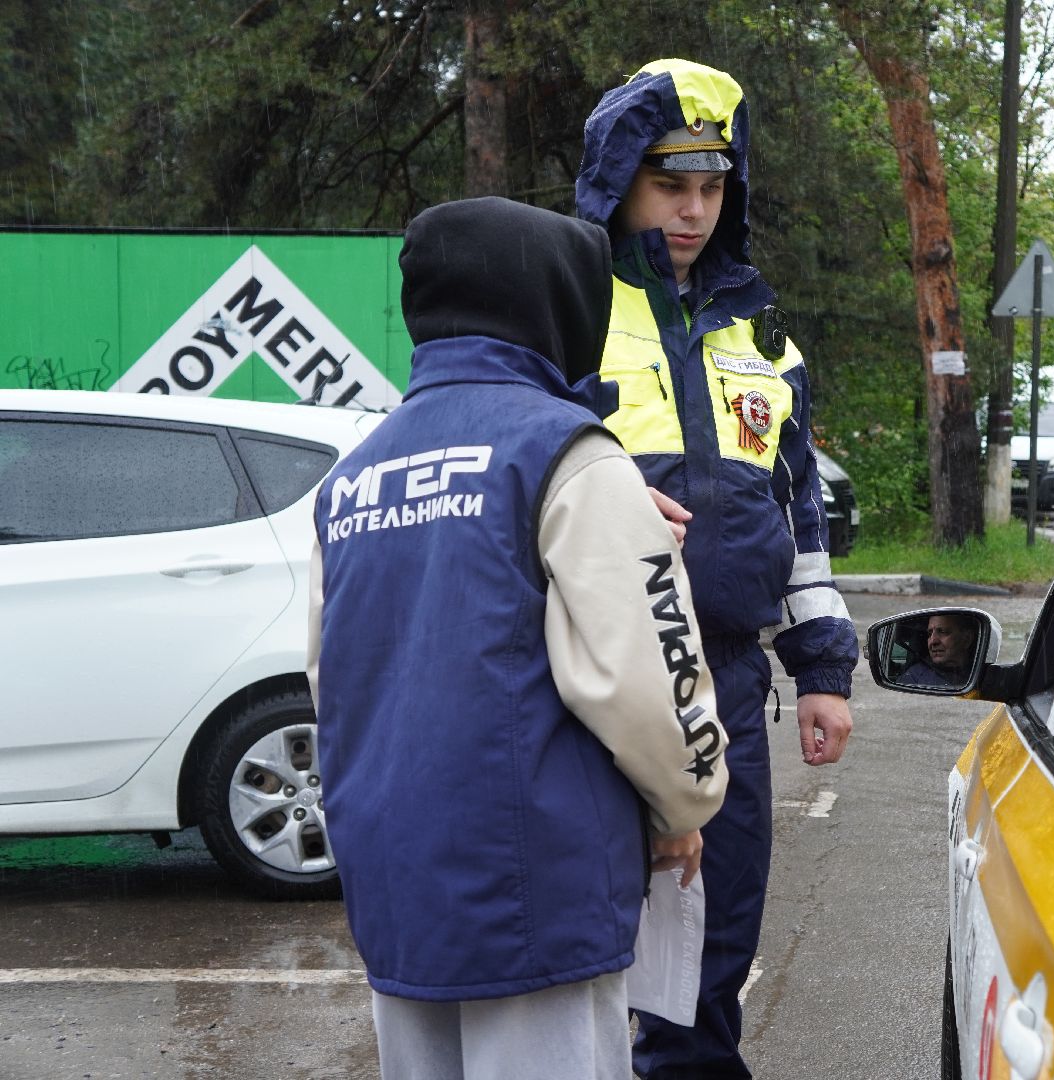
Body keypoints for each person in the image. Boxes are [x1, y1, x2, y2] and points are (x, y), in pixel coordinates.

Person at [307, 196, 729, 1080]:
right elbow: (648, 677)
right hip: (537, 883)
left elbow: (329, 678)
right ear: (555, 304)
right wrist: (685, 806)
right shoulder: (569, 453)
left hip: (397, 882)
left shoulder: (354, 476)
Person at [576, 59, 858, 1079]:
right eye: (667, 183)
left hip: (730, 683)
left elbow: (799, 509)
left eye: (712, 186)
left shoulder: (760, 330)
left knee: (707, 963)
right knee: (589, 966)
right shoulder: (565, 302)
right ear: (618, 180)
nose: (692, 211)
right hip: (594, 685)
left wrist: (821, 667)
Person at [901, 613, 979, 688]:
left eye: (942, 631)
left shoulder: (981, 673)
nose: (933, 641)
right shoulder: (914, 677)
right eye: (929, 634)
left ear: (967, 639)